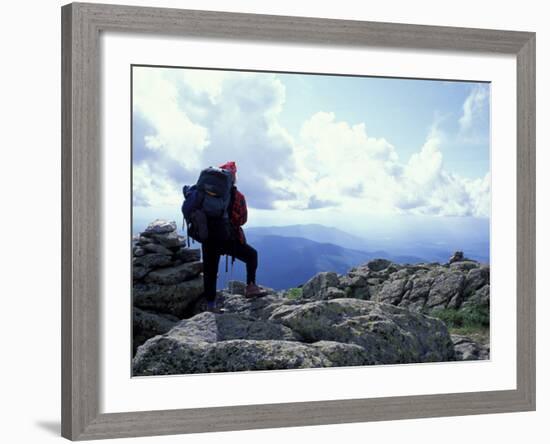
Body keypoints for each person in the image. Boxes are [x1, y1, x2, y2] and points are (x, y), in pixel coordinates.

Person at [201, 161, 267, 311]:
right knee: (251, 255)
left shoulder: (205, 193)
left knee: (210, 270)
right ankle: (251, 287)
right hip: (228, 238)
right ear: (234, 176)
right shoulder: (238, 196)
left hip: (208, 238)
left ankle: (210, 304)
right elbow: (242, 219)